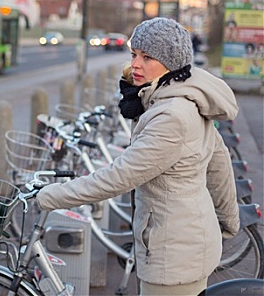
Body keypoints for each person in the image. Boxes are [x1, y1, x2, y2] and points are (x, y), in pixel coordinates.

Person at [37, 17, 240, 296]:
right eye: (134, 54)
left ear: (171, 62)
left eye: (147, 57)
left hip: (173, 254)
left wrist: (50, 196)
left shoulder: (171, 115)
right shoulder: (181, 98)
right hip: (185, 240)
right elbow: (220, 163)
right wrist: (228, 220)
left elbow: (120, 176)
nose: (135, 64)